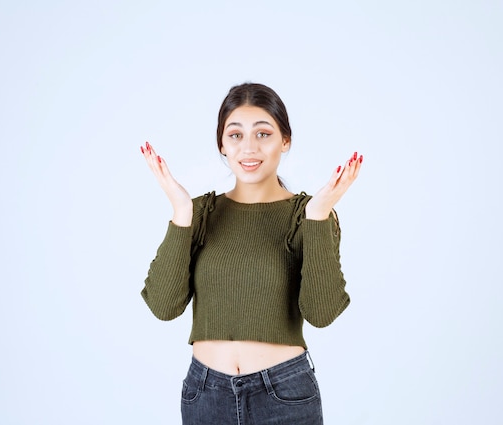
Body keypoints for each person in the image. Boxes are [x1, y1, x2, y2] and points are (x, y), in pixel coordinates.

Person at [140, 83, 362, 425]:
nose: (249, 148)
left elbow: (321, 312)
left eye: (263, 134)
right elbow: (164, 306)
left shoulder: (308, 214)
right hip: (205, 395)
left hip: (284, 395)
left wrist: (317, 217)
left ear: (285, 141)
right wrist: (182, 210)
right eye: (235, 135)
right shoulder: (200, 213)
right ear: (222, 145)